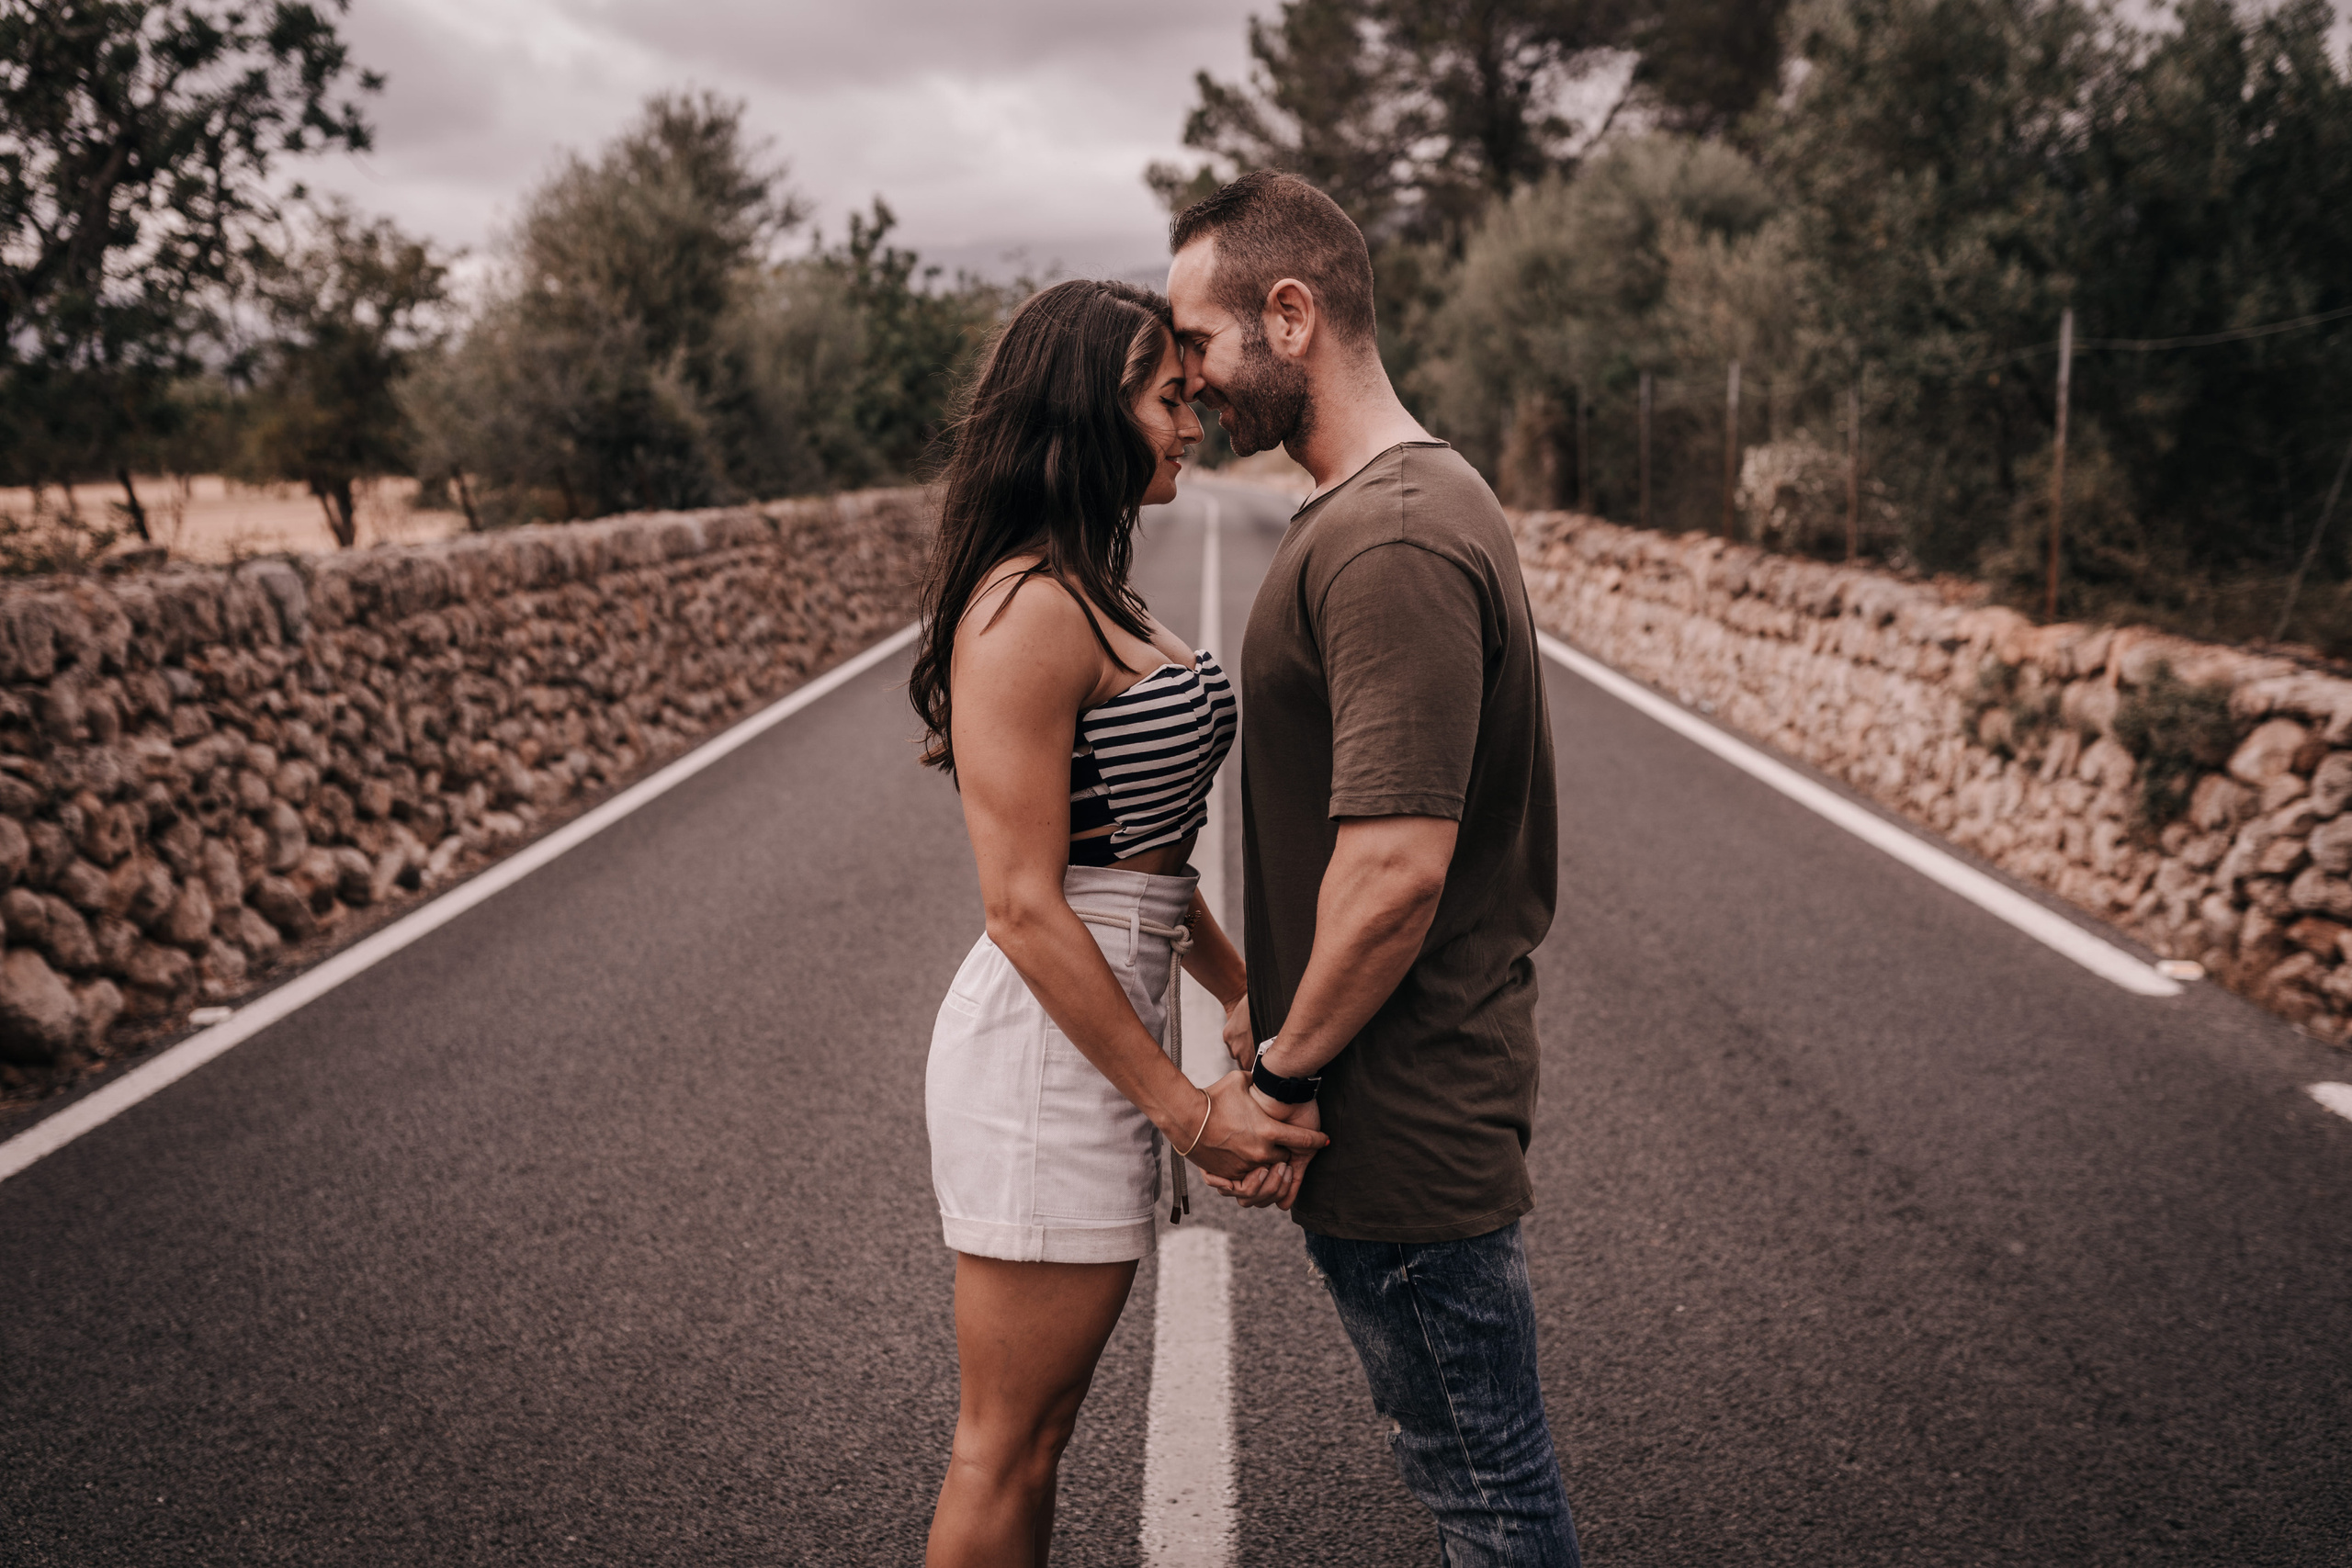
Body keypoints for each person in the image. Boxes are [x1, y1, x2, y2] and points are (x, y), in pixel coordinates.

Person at [1169, 172, 1581, 1566]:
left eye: (1200, 343)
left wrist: (1279, 1076)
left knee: (1490, 1504)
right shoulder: (1394, 504)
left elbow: (1400, 867)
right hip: (1402, 1109)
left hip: (1402, 1123)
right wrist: (1266, 1004)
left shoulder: (1392, 537)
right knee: (1479, 1486)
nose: (1191, 380)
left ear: (1290, 316)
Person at [908, 277, 1328, 1568]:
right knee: (1004, 1444)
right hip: (1043, 1054)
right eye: (1167, 398)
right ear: (1090, 410)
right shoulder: (1026, 609)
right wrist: (1189, 1110)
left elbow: (1137, 860)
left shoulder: (1096, 588)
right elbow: (1030, 906)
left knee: (1044, 1435)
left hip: (1096, 1020)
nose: (1192, 422)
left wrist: (1242, 978)